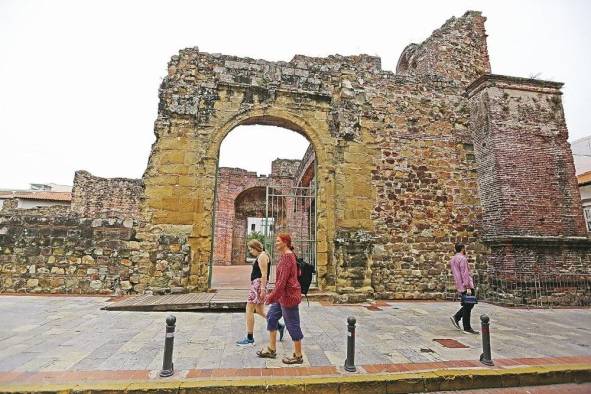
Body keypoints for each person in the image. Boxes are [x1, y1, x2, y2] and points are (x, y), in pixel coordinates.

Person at [256, 233, 304, 364]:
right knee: (271, 316)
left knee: (292, 324)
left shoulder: (288, 257)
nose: (275, 243)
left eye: (278, 241)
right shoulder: (286, 255)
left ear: (285, 242)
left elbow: (282, 282)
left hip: (288, 296)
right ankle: (271, 349)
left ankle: (298, 355)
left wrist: (270, 297)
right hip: (282, 295)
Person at [236, 239, 284, 345]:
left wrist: (262, 289)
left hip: (258, 285)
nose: (250, 252)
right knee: (259, 310)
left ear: (255, 248)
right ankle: (278, 326)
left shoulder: (262, 256)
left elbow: (264, 274)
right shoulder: (262, 255)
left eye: (251, 249)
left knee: (249, 309)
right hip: (258, 284)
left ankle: (249, 338)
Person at [449, 242, 479, 334]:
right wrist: (468, 286)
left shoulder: (453, 259)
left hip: (460, 285)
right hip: (466, 285)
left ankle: (458, 318)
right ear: (462, 248)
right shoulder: (462, 259)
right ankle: (465, 326)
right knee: (469, 304)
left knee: (467, 304)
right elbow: (464, 273)